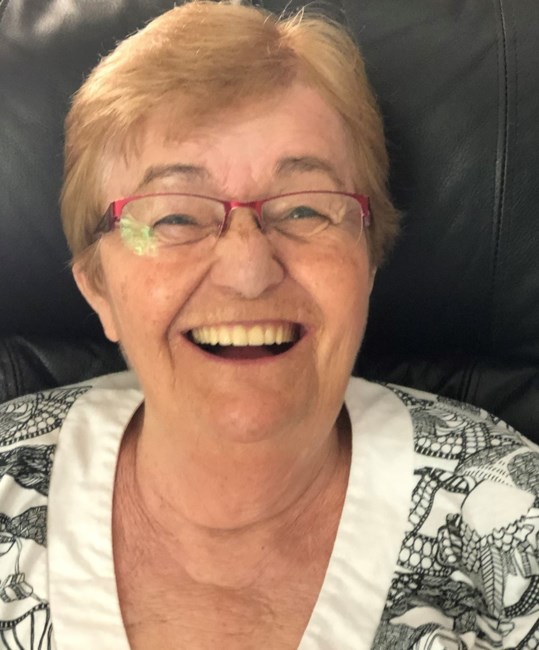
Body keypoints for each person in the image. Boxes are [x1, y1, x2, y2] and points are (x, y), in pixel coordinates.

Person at [0, 1, 537, 648]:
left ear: (368, 261)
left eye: (305, 210)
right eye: (174, 216)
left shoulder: (510, 515)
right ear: (97, 286)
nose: (249, 271)